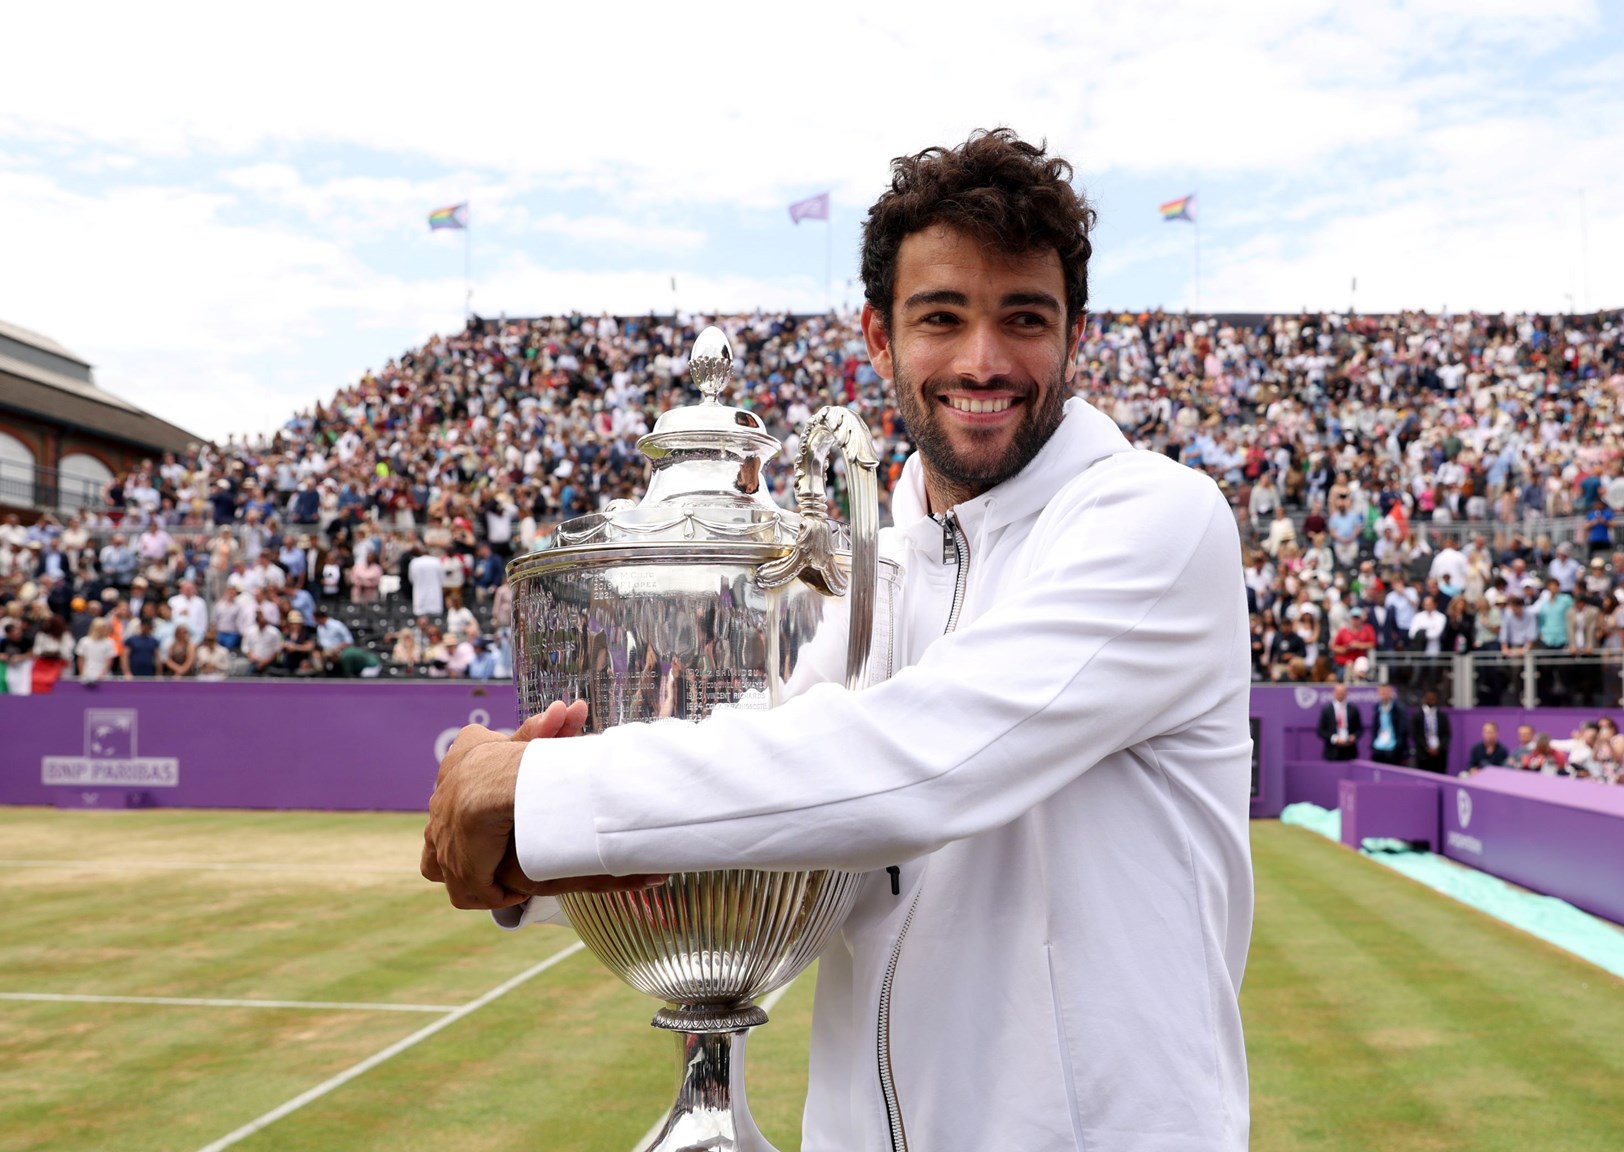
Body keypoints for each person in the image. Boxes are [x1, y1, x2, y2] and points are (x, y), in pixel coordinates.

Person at [421, 130, 1254, 1151]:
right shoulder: (873, 563)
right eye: (940, 318)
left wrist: (537, 797)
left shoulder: (1156, 521)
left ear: (1071, 337)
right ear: (878, 337)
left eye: (1022, 319)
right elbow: (772, 821)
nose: (981, 361)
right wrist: (533, 856)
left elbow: (915, 767)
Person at [1317, 683, 1362, 761]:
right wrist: (1334, 738)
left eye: (1342, 692)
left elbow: (1359, 729)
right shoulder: (1327, 710)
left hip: (1350, 750)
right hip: (1332, 751)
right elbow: (1321, 731)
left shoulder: (1353, 709)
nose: (1340, 694)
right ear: (1334, 693)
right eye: (1338, 692)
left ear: (1346, 693)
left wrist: (1354, 736)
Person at [1368, 682, 1409, 765]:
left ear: (1390, 692)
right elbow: (1375, 727)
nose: (1384, 694)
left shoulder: (1399, 708)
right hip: (1378, 747)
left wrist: (1398, 745)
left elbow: (1403, 728)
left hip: (1393, 748)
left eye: (1386, 692)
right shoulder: (1377, 708)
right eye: (1382, 692)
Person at [1409, 687, 1449, 774]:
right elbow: (1415, 735)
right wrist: (1426, 748)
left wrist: (1439, 747)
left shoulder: (1442, 716)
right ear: (1424, 698)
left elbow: (1447, 734)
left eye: (1434, 698)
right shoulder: (1417, 716)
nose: (1432, 700)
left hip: (1440, 754)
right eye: (1429, 697)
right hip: (1423, 754)